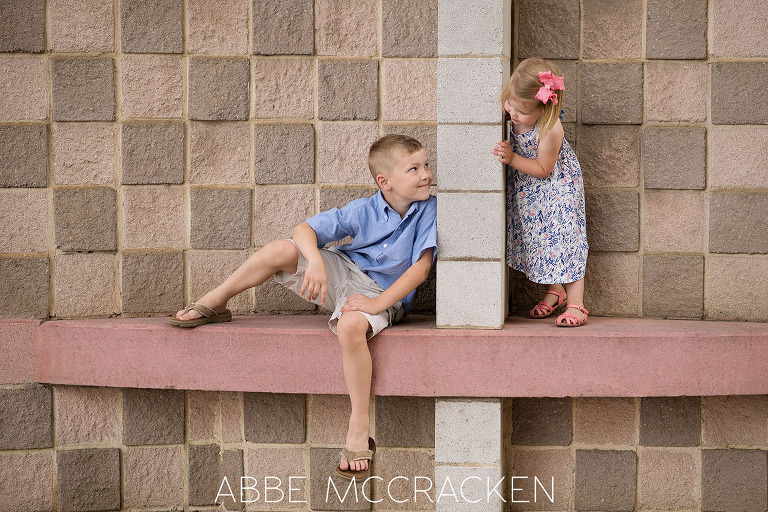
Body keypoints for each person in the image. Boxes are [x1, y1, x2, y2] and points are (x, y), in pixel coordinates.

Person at [169, 134, 437, 479]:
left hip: (384, 293)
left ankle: (358, 424)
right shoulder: (364, 209)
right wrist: (315, 260)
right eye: (414, 169)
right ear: (384, 182)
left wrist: (376, 303)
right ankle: (216, 301)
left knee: (350, 326)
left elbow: (420, 269)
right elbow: (304, 229)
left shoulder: (429, 210)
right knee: (281, 249)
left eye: (426, 165)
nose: (426, 174)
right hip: (344, 274)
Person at [492, 58, 589, 327]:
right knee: (543, 241)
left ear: (544, 108)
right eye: (510, 105)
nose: (513, 115)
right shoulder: (516, 112)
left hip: (556, 190)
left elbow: (544, 168)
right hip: (531, 192)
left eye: (522, 112)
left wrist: (512, 159)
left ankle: (576, 304)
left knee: (564, 241)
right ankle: (555, 292)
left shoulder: (550, 128)